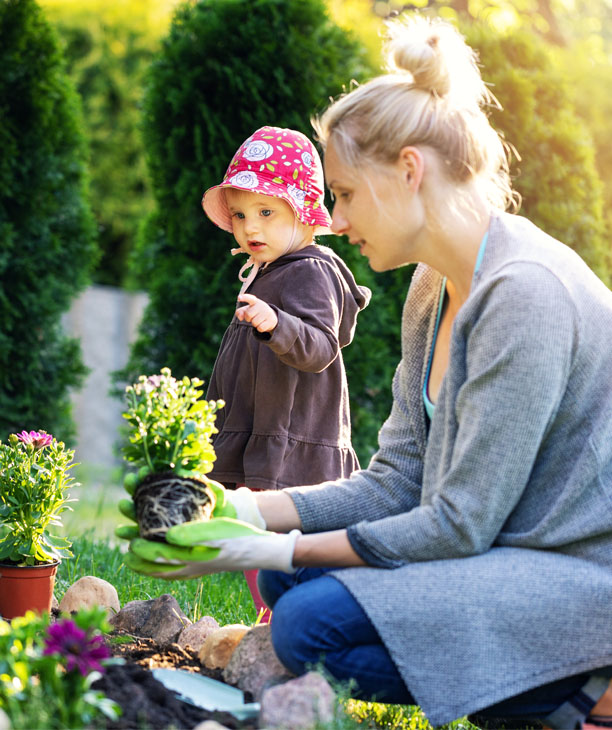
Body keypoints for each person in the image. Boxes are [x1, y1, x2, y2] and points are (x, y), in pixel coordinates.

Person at [125, 15, 612, 730]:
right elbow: (397, 480)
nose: (336, 217)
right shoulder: (430, 288)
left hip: (580, 576)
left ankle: (586, 687)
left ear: (409, 170)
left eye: (345, 194)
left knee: (308, 626)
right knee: (287, 582)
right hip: (502, 557)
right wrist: (244, 512)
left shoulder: (524, 292)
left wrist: (275, 543)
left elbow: (456, 525)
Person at [199, 125, 370, 619]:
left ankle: (284, 613)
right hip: (267, 428)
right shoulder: (274, 265)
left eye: (267, 212)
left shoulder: (311, 270)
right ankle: (272, 614)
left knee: (277, 534)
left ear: (304, 213)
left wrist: (277, 323)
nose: (250, 228)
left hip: (294, 436)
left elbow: (319, 346)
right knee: (258, 531)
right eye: (240, 215)